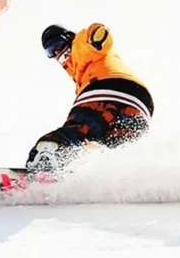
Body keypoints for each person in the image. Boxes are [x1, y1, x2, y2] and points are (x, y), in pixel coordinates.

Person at [26, 23, 155, 173]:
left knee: (76, 131)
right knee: (107, 149)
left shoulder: (80, 47)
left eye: (57, 44)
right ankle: (100, 180)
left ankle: (42, 165)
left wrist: (96, 36)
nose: (56, 52)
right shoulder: (80, 74)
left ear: (68, 38)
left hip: (109, 89)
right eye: (50, 51)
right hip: (140, 105)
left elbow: (96, 39)